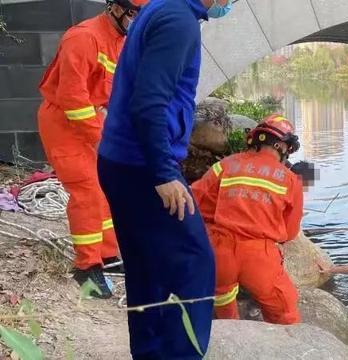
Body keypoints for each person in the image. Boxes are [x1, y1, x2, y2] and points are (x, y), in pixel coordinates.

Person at [96, 0, 233, 358]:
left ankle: (150, 352)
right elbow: (150, 102)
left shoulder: (163, 6)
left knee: (147, 269)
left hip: (121, 161)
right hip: (143, 168)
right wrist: (164, 172)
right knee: (195, 264)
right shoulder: (179, 22)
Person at [37, 0, 146, 298]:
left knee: (108, 188)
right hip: (64, 122)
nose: (139, 22)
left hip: (90, 118)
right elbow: (73, 100)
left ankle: (108, 256)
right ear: (115, 8)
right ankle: (86, 268)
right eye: (136, 15)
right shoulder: (82, 38)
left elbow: (115, 92)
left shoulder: (120, 40)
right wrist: (104, 140)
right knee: (88, 192)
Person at [191, 114, 304, 325]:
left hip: (219, 251)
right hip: (259, 256)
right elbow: (289, 232)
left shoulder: (225, 165)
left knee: (222, 297)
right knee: (284, 311)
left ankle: (232, 331)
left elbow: (194, 200)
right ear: (280, 145)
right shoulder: (290, 180)